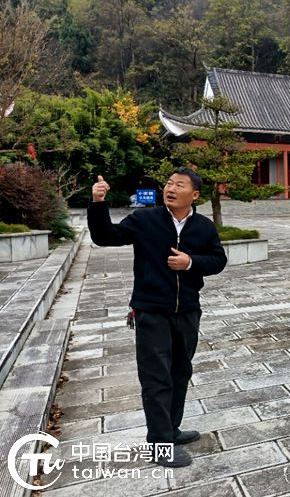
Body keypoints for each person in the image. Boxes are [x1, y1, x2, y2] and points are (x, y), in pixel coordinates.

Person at [87, 169, 227, 467]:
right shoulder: (145, 219)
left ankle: (171, 430)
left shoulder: (204, 226)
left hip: (187, 311)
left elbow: (218, 260)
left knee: (180, 372)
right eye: (169, 184)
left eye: (179, 185)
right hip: (151, 311)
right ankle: (160, 444)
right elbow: (105, 237)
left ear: (194, 195)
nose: (171, 189)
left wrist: (190, 262)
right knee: (156, 378)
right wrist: (98, 203)